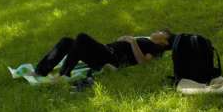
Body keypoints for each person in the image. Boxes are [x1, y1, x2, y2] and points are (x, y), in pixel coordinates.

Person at [35, 29, 174, 78]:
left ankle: (63, 74)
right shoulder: (145, 39)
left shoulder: (156, 49)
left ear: (165, 42)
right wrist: (122, 40)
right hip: (105, 51)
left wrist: (133, 42)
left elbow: (143, 62)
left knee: (82, 37)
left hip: (112, 59)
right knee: (67, 41)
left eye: (161, 32)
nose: (157, 31)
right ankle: (41, 71)